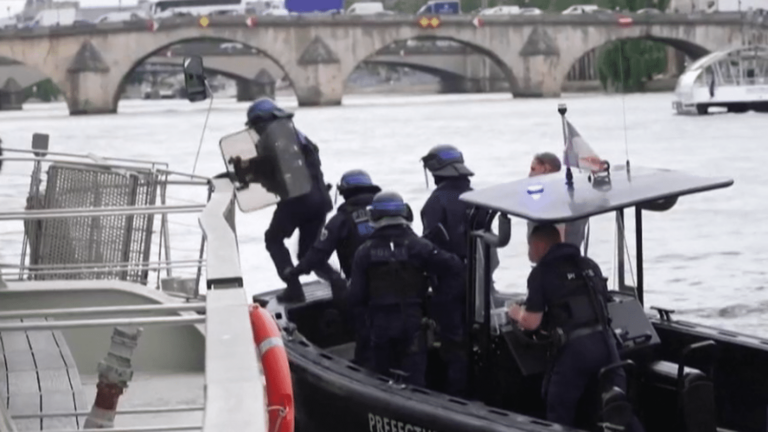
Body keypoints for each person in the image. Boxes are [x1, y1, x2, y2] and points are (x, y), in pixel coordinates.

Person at [508, 224, 643, 431]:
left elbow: (532, 322)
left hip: (575, 351)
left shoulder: (541, 273)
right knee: (617, 408)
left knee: (558, 411)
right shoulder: (590, 265)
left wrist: (516, 312)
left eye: (529, 246)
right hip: (607, 344)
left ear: (540, 245)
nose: (528, 252)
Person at [347, 191, 463, 387]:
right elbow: (455, 267)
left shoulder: (363, 252)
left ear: (374, 216)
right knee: (415, 383)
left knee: (381, 382)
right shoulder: (420, 246)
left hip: (380, 326)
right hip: (412, 323)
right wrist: (439, 300)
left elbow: (355, 296)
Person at [284, 169, 382, 366]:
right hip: (399, 289)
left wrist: (295, 271)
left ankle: (367, 383)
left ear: (345, 192)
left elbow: (317, 254)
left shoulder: (342, 220)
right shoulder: (388, 212)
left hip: (363, 292)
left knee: (366, 341)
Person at [245, 97, 335, 303]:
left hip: (297, 201)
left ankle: (294, 288)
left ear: (262, 123)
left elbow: (269, 172)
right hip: (319, 200)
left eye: (256, 126)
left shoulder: (271, 139)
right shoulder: (299, 136)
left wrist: (245, 173)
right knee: (307, 254)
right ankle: (337, 281)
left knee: (273, 239)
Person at [419, 144, 475, 396]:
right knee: (478, 337)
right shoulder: (477, 198)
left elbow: (429, 249)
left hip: (449, 283)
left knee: (453, 343)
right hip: (480, 281)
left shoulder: (435, 203)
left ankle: (456, 396)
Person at [527, 152, 588, 249]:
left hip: (556, 258)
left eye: (533, 169)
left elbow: (560, 236)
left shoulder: (554, 200)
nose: (529, 174)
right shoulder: (567, 194)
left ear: (546, 169)